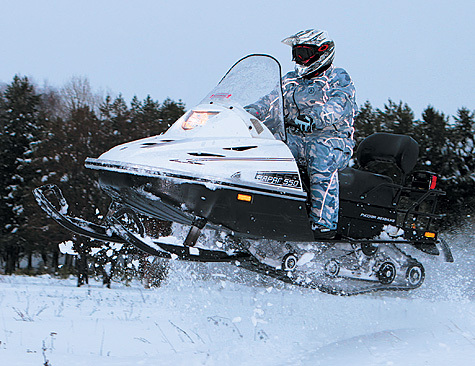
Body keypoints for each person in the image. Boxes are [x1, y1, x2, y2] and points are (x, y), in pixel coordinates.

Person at [247, 29, 357, 239]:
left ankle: (323, 225)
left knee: (320, 155)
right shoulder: (290, 80)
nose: (300, 59)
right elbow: (271, 100)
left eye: (305, 53)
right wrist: (250, 111)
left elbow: (338, 104)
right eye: (297, 54)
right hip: (295, 138)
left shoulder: (337, 77)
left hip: (331, 140)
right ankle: (261, 210)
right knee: (266, 148)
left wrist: (315, 117)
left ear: (322, 52)